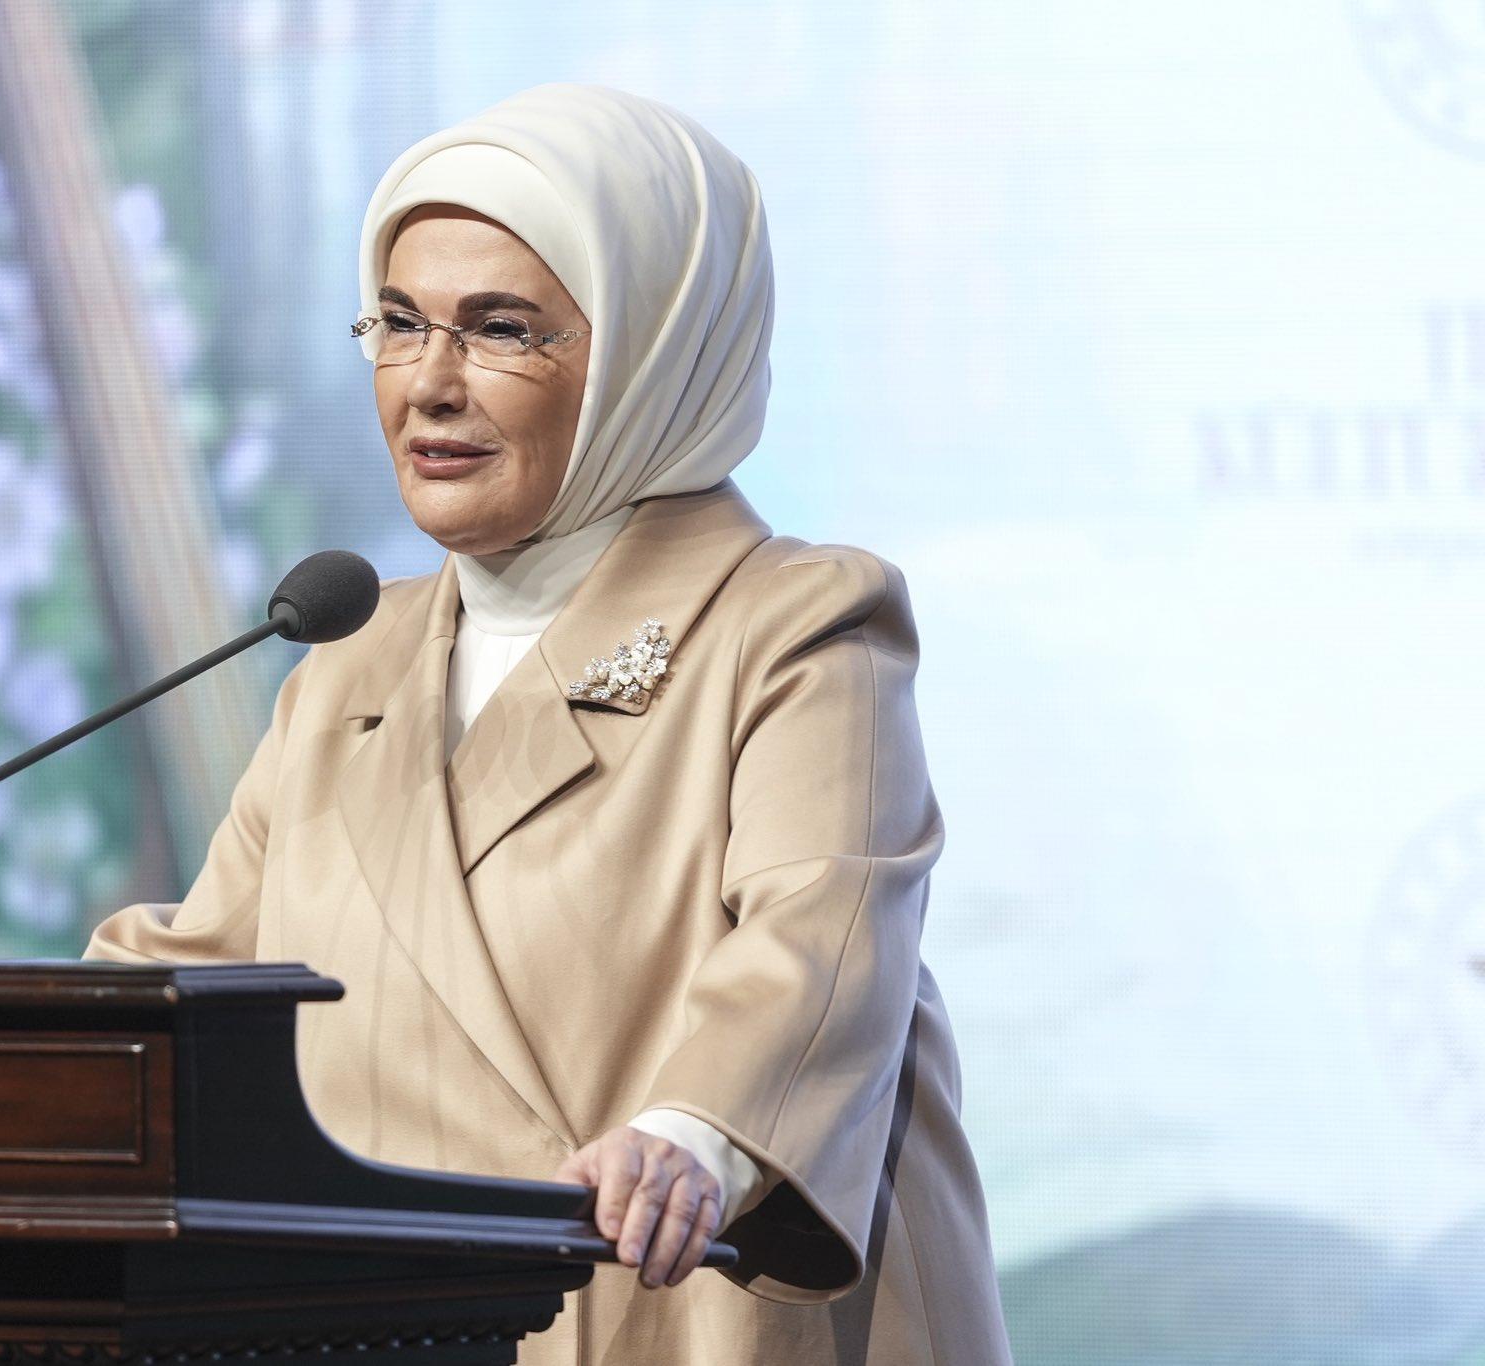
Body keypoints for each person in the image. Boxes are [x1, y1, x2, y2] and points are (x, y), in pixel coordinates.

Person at [85, 83, 1012, 1365]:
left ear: (652, 347)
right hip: (399, 1325)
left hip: (671, 1305)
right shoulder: (347, 657)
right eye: (397, 323)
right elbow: (200, 982)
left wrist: (691, 1139)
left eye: (499, 329)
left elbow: (822, 946)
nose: (428, 384)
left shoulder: (796, 625)